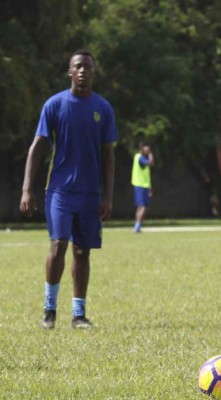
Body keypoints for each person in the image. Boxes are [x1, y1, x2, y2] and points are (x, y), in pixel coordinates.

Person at [20, 49, 118, 329]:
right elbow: (37, 148)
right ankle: (49, 310)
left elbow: (108, 156)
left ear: (94, 72)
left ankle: (78, 314)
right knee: (58, 244)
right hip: (60, 191)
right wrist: (27, 189)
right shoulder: (54, 105)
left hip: (90, 193)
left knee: (82, 251)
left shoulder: (103, 109)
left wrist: (108, 196)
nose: (83, 71)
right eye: (78, 66)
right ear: (70, 72)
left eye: (88, 66)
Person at [131, 141, 154, 232]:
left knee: (144, 206)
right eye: (146, 147)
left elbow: (146, 174)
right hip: (139, 185)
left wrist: (149, 187)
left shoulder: (143, 158)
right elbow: (151, 163)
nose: (147, 149)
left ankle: (138, 225)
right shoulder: (139, 157)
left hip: (145, 185)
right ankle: (137, 226)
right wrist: (150, 154)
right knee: (142, 206)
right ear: (141, 148)